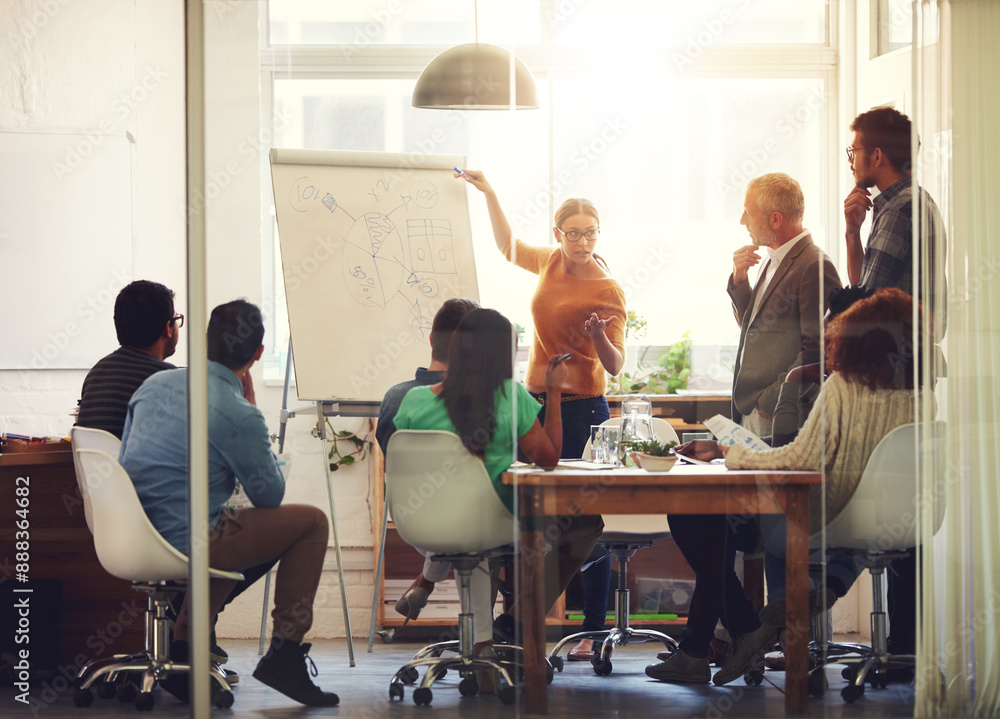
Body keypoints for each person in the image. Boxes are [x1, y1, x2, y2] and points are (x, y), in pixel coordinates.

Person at [662, 288, 931, 685]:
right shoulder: (923, 397)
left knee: (696, 517)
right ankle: (767, 626)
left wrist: (731, 454)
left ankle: (751, 628)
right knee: (726, 522)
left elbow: (801, 459)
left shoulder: (842, 387)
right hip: (891, 522)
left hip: (818, 520)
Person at [647, 173, 841, 686]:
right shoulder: (779, 263)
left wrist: (767, 402)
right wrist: (740, 285)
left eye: (747, 212)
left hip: (783, 426)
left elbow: (817, 353)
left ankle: (717, 643)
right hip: (755, 421)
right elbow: (756, 333)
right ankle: (742, 632)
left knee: (712, 524)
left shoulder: (814, 265)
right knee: (696, 516)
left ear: (774, 219)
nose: (742, 220)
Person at [119, 300, 339, 707]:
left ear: (203, 342)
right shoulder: (237, 411)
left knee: (226, 522)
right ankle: (285, 655)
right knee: (310, 523)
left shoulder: (152, 387)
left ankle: (185, 645)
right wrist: (253, 410)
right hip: (185, 542)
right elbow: (270, 496)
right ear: (257, 355)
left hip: (127, 534)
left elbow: (123, 464)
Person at [457, 169, 625, 661]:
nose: (582, 242)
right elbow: (507, 247)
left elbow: (615, 365)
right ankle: (516, 620)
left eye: (590, 232)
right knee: (529, 518)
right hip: (534, 402)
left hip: (581, 411)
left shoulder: (608, 289)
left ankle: (592, 629)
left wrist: (597, 338)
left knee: (581, 519)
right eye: (573, 233)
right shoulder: (550, 262)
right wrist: (490, 191)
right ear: (559, 235)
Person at [392, 308, 604, 655]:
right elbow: (549, 458)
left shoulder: (413, 401)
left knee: (468, 529)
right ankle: (514, 623)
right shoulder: (510, 397)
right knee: (584, 523)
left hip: (423, 524)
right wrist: (552, 392)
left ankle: (470, 627)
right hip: (491, 525)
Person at [844, 106, 948, 674]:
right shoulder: (906, 205)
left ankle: (905, 650)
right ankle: (905, 648)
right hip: (909, 372)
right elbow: (868, 292)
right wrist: (852, 234)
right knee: (904, 516)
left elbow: (865, 308)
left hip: (896, 378)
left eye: (854, 151)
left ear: (876, 156)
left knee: (894, 513)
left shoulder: (902, 209)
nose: (853, 160)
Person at [375, 297, 480, 623]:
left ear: (432, 339)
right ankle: (502, 631)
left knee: (456, 509)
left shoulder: (396, 398)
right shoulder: (482, 400)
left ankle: (427, 580)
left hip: (413, 521)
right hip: (474, 520)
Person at [76, 280, 180, 438]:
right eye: (176, 320)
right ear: (168, 328)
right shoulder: (168, 379)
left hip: (99, 463)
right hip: (136, 463)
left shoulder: (96, 373)